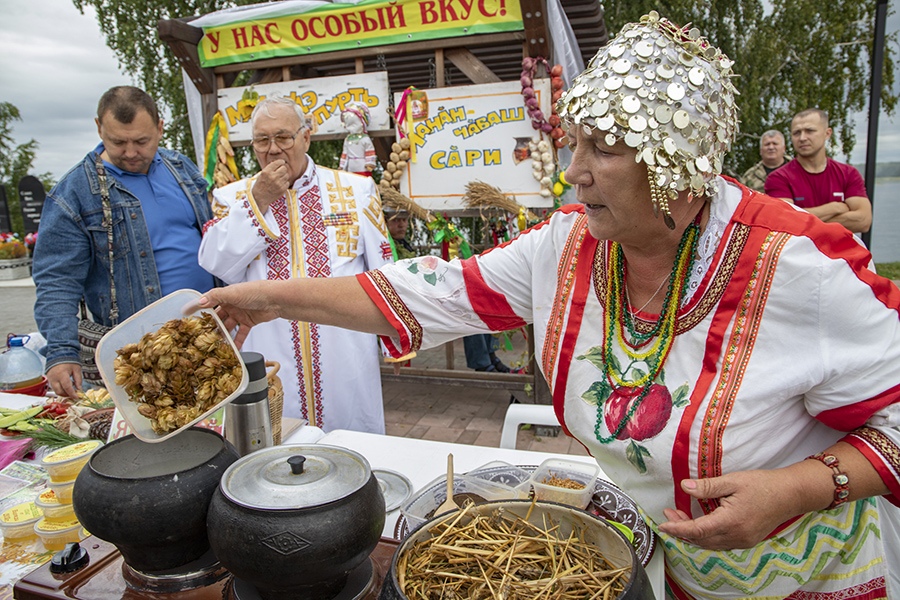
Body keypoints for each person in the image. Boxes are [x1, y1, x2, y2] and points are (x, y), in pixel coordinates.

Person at [194, 12, 900, 599]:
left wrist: (806, 487)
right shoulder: (566, 249)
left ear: (677, 165)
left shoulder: (795, 265)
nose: (574, 172)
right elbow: (416, 294)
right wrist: (263, 297)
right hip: (662, 570)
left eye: (604, 149)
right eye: (574, 143)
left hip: (806, 576)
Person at [198, 96, 393, 434]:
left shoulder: (356, 188)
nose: (273, 149)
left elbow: (382, 268)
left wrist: (395, 340)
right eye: (262, 140)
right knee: (279, 449)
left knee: (353, 444)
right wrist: (257, 200)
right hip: (269, 348)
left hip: (345, 346)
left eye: (283, 137)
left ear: (306, 137)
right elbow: (215, 262)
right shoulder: (231, 197)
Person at [32, 86, 215, 398]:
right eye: (118, 142)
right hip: (143, 354)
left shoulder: (181, 168)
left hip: (208, 334)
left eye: (142, 141)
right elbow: (57, 281)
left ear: (160, 128)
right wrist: (62, 353)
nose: (130, 152)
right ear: (99, 128)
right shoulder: (75, 192)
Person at [765, 108, 872, 233]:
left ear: (827, 133)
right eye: (796, 133)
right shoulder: (779, 178)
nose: (802, 138)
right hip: (801, 252)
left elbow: (863, 221)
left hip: (841, 251)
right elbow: (785, 222)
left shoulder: (848, 174)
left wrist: (804, 220)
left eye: (809, 131)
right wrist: (835, 207)